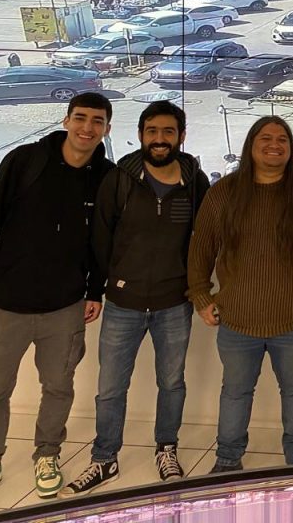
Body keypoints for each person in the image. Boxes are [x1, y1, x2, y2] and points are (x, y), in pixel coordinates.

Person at [0, 94, 114, 507]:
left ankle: (48, 455)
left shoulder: (106, 175)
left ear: (106, 128)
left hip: (65, 307)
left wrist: (94, 290)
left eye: (97, 121)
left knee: (58, 387)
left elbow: (104, 242)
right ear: (67, 120)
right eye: (80, 118)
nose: (87, 128)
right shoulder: (25, 160)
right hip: (6, 302)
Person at [62, 102, 209, 497]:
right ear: (141, 134)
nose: (160, 139)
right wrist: (101, 288)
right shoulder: (119, 179)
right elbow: (100, 240)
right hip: (123, 305)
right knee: (110, 387)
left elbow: (206, 239)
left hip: (174, 303)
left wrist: (200, 289)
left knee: (172, 382)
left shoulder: (195, 181)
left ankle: (166, 448)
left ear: (182, 134)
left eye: (168, 131)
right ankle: (104, 458)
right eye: (152, 131)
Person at [188, 116, 293, 472]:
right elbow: (201, 249)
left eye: (282, 139)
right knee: (236, 393)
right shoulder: (223, 192)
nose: (274, 145)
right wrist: (201, 296)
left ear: (291, 147)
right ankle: (227, 461)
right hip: (237, 319)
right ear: (251, 146)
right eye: (265, 138)